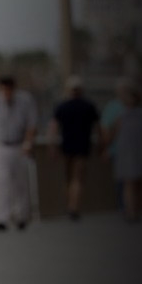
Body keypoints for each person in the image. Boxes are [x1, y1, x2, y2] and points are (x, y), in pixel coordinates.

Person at [0, 75, 38, 230]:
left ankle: (21, 216)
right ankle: (2, 217)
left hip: (19, 145)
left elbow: (31, 124)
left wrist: (28, 143)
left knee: (21, 182)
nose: (6, 92)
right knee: (1, 181)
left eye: (9, 89)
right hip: (0, 145)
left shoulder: (25, 101)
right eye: (3, 89)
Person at [48, 75, 101, 220]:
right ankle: (74, 207)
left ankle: (69, 205)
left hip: (67, 145)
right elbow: (98, 128)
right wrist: (102, 145)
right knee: (78, 179)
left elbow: (53, 128)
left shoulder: (62, 106)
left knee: (68, 177)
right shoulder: (88, 106)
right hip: (82, 146)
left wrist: (52, 146)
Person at [104, 81, 142, 223]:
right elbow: (112, 134)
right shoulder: (124, 116)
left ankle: (134, 210)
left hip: (136, 151)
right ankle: (131, 211)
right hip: (129, 152)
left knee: (136, 183)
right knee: (130, 183)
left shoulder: (140, 115)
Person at [100, 78, 131, 210]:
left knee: (130, 179)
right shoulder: (113, 107)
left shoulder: (133, 107)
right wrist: (106, 147)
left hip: (131, 149)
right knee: (122, 179)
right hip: (117, 149)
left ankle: (129, 206)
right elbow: (105, 128)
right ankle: (123, 206)